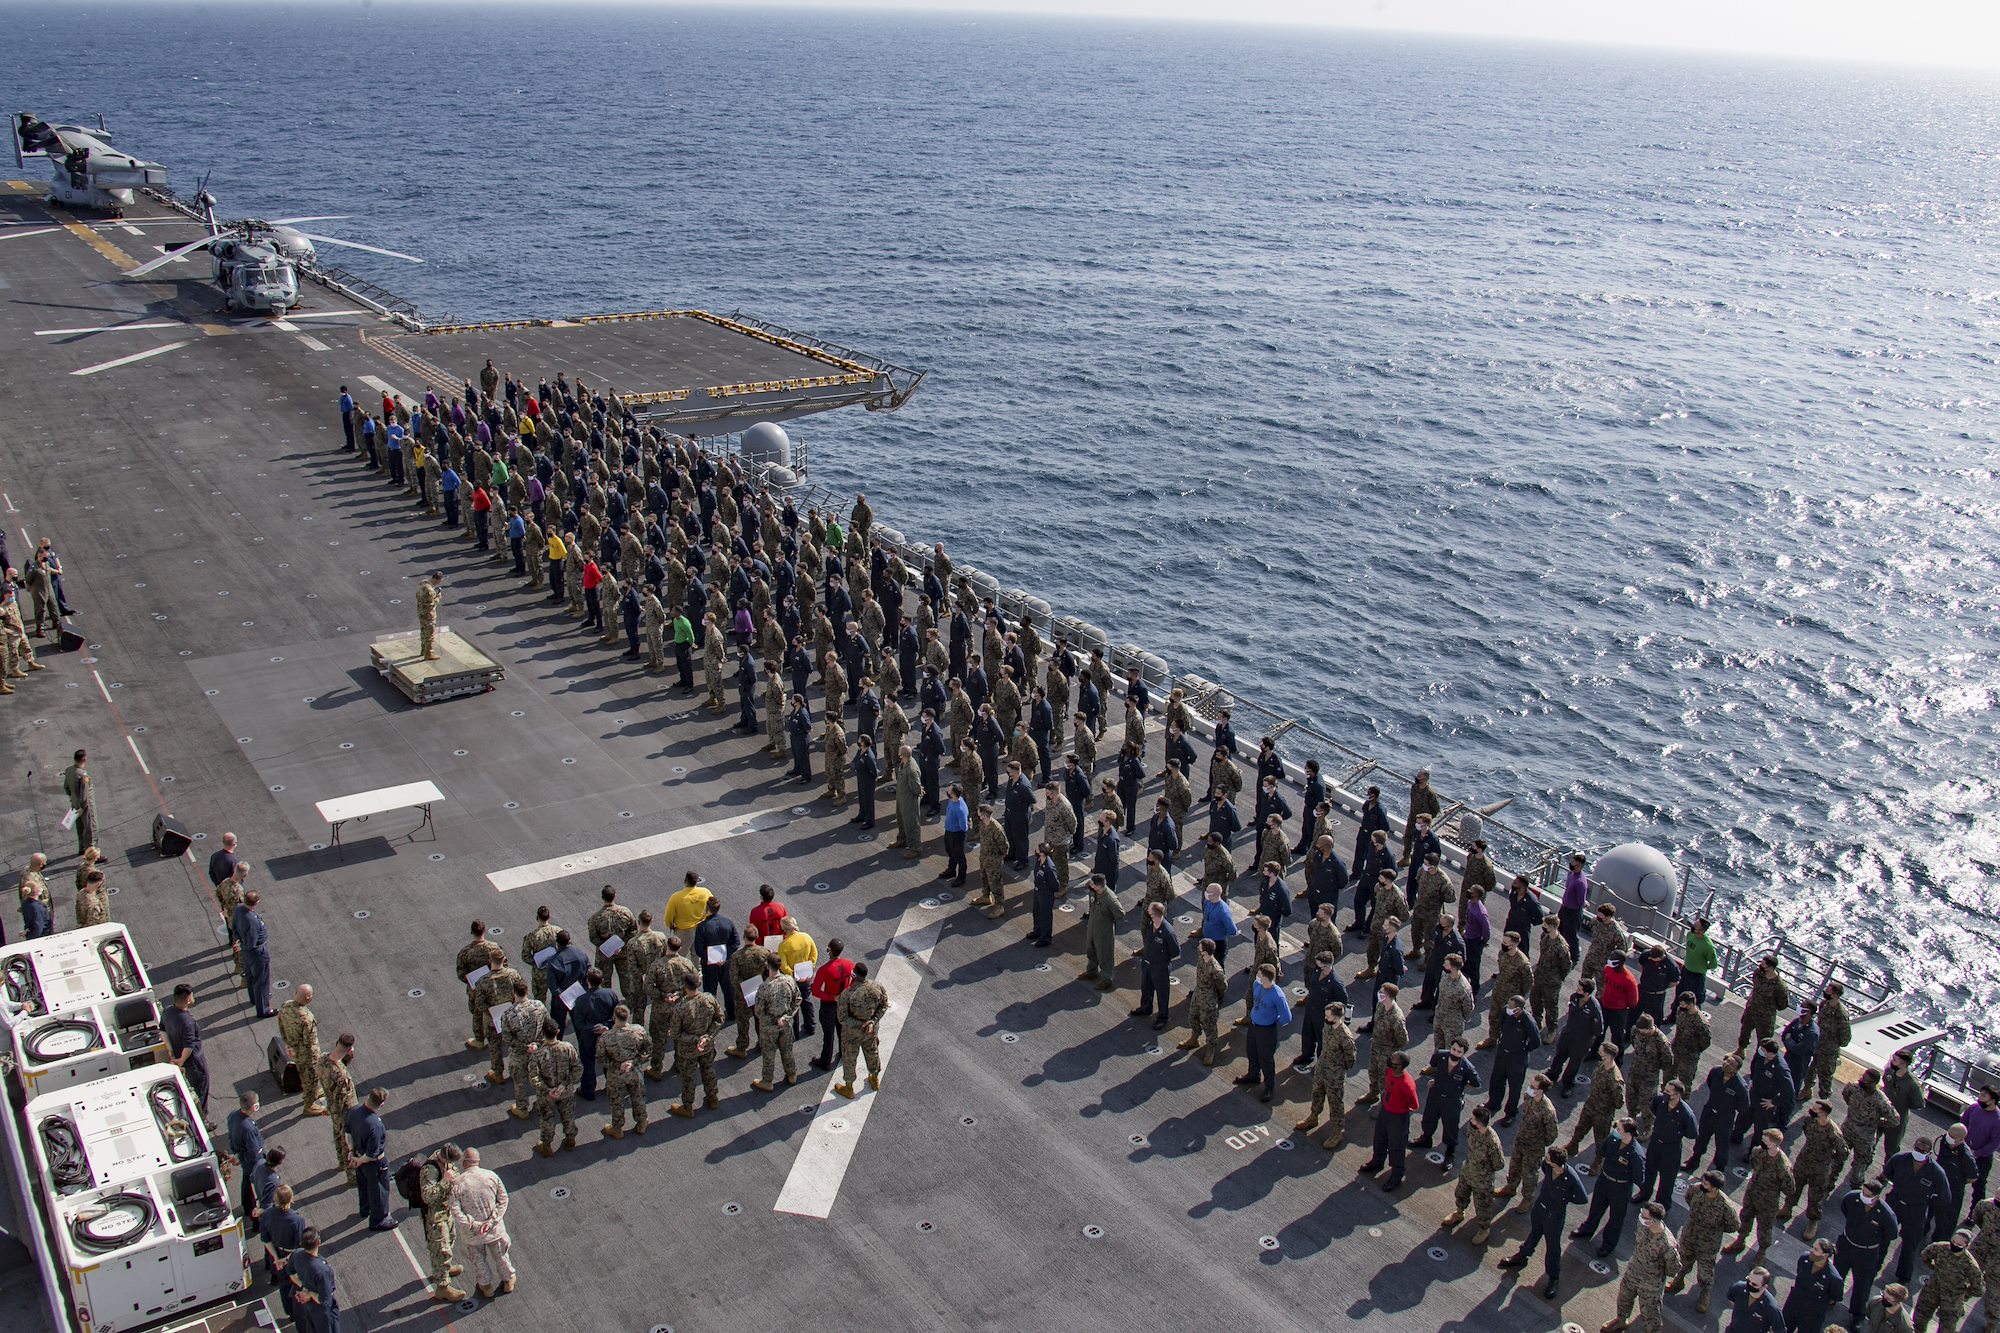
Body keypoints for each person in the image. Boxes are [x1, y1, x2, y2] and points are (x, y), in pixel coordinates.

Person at [1499, 1145, 1590, 1299]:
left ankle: (1553, 1277)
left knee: (1553, 1246)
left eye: (1548, 1158)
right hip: (1540, 1208)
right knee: (1534, 1234)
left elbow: (1582, 1198)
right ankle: (1522, 1256)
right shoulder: (1547, 1167)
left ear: (1555, 1163)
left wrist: (1564, 1199)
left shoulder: (1570, 1177)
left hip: (1554, 1216)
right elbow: (1544, 1168)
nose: (1546, 1160)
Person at [1667, 1171, 1742, 1315]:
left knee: (1705, 1273)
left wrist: (1715, 1230)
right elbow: (1688, 1198)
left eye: (1706, 1184)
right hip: (1689, 1235)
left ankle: (1704, 1296)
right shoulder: (1696, 1189)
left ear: (1714, 1188)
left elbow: (1734, 1225)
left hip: (1708, 1244)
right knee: (1683, 1262)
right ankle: (1678, 1281)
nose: (1702, 1184)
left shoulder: (1725, 1205)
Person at [1601, 1203, 1681, 1333]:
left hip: (1651, 1284)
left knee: (1651, 1314)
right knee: (1623, 1299)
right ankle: (1621, 1321)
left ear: (1653, 1221)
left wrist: (1656, 1274)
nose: (1640, 1218)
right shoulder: (1643, 1225)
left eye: (1644, 1216)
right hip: (1633, 1272)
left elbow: (1674, 1268)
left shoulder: (1667, 1244)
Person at [448, 1147, 513, 1298]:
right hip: (494, 1231)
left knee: (479, 1262)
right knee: (501, 1257)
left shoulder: (457, 1184)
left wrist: (472, 1224)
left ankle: (486, 1287)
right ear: (478, 1160)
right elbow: (503, 1200)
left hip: (472, 1235)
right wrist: (492, 1221)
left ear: (464, 1162)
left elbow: (456, 1211)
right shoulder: (491, 1176)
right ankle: (508, 1280)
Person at [1411, 1038, 1481, 1169]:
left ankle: (1450, 1153)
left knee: (1450, 1127)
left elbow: (1476, 1084)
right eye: (1454, 1049)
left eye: (1459, 1052)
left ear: (1463, 1053)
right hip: (1435, 1095)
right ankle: (1426, 1139)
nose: (1455, 1053)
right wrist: (1435, 1080)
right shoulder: (1440, 1055)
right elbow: (1433, 1065)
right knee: (1428, 1119)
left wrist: (1462, 1085)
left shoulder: (1467, 1067)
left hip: (1452, 1101)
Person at [1359, 1050, 1419, 1191]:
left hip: (1398, 1118)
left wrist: (1400, 1107)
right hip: (1385, 1111)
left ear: (1399, 1066)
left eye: (1393, 1059)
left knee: (1396, 1147)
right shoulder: (1390, 1072)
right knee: (1379, 1139)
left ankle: (1396, 1175)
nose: (1389, 1060)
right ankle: (1377, 1162)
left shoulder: (1407, 1084)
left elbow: (1414, 1104)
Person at [833, 961, 890, 1098]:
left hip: (852, 1033)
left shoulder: (847, 994)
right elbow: (884, 1005)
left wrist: (860, 1024)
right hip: (871, 1030)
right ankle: (874, 1079)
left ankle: (849, 1088)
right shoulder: (877, 987)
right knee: (872, 1053)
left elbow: (842, 1018)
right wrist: (873, 1021)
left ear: (854, 974)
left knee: (849, 1058)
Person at [1237, 962, 1292, 1104]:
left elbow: (1286, 1017)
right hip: (1254, 1026)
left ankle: (1269, 1088)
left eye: (1259, 975)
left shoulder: (1277, 995)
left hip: (1266, 1030)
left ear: (1266, 978)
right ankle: (1253, 1075)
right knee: (1252, 1052)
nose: (1257, 977)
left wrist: (1271, 1021)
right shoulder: (1257, 985)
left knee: (1266, 1059)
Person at [418, 1144, 465, 1302]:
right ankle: (442, 1287)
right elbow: (427, 1196)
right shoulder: (430, 1170)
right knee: (441, 1249)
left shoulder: (445, 1163)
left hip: (446, 1209)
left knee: (450, 1238)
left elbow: (455, 1174)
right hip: (435, 1216)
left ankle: (444, 1268)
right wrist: (445, 1180)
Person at [344, 1087, 395, 1230]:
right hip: (373, 1163)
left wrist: (352, 1153)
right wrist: (360, 1160)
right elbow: (372, 1154)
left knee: (363, 1186)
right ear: (382, 1104)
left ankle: (364, 1209)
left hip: (358, 1155)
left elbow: (348, 1134)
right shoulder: (376, 1125)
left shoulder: (354, 1111)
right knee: (379, 1191)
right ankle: (378, 1220)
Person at [751, 956, 802, 1091]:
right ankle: (792, 1075)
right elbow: (798, 999)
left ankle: (767, 1081)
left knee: (768, 1054)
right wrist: (786, 1017)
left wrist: (772, 1020)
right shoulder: (789, 981)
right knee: (787, 1050)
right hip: (785, 1023)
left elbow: (758, 1011)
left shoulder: (764, 987)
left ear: (768, 966)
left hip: (769, 1027)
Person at [809, 938, 855, 1071]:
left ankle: (825, 1061)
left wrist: (831, 997)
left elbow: (815, 991)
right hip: (843, 1003)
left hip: (829, 1005)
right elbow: (854, 980)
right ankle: (843, 1053)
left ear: (829, 950)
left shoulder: (824, 970)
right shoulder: (850, 964)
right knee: (842, 1030)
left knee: (828, 1035)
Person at [163, 984, 209, 1116]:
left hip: (178, 1056)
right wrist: (181, 1061)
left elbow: (162, 1030)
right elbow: (189, 1046)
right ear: (188, 999)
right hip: (193, 1062)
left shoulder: (167, 1011)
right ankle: (203, 1119)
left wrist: (171, 1052)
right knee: (200, 1090)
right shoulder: (187, 1021)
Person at [1784, 1238, 1848, 1333]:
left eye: (1816, 1249)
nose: (1811, 1251)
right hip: (1793, 1304)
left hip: (1812, 1314)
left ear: (1825, 1255)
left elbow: (1836, 1296)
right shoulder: (1804, 1259)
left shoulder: (1833, 1277)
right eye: (1813, 1247)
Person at [287, 1228, 341, 1333]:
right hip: (323, 1311)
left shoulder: (297, 1254)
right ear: (318, 1243)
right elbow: (323, 1299)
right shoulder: (322, 1270)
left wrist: (304, 1288)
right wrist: (310, 1294)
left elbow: (290, 1272)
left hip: (308, 1306)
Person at [235, 889, 273, 1017]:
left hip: (246, 951)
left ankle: (255, 998)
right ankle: (263, 1009)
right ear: (256, 903)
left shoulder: (239, 909)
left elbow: (234, 926)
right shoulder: (252, 920)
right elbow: (252, 940)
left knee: (250, 976)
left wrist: (238, 941)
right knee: (261, 980)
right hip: (257, 952)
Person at [1724, 1267, 1785, 1332]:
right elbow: (1731, 1298)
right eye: (1748, 1280)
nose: (1749, 1284)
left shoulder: (1771, 1307)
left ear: (1764, 1286)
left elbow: (1780, 1329)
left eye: (1754, 1284)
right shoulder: (1738, 1288)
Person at [61, 748, 95, 857]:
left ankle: (82, 847)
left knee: (79, 826)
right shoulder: (83, 775)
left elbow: (66, 787)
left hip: (74, 803)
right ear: (84, 759)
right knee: (90, 828)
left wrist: (72, 798)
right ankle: (91, 853)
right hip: (85, 806)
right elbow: (84, 794)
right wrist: (83, 807)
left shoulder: (69, 770)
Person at [415, 571, 443, 660]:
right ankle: (429, 653)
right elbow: (431, 605)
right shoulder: (430, 591)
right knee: (430, 634)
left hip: (421, 611)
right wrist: (438, 598)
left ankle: (423, 650)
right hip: (428, 615)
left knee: (423, 631)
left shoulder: (423, 583)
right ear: (438, 580)